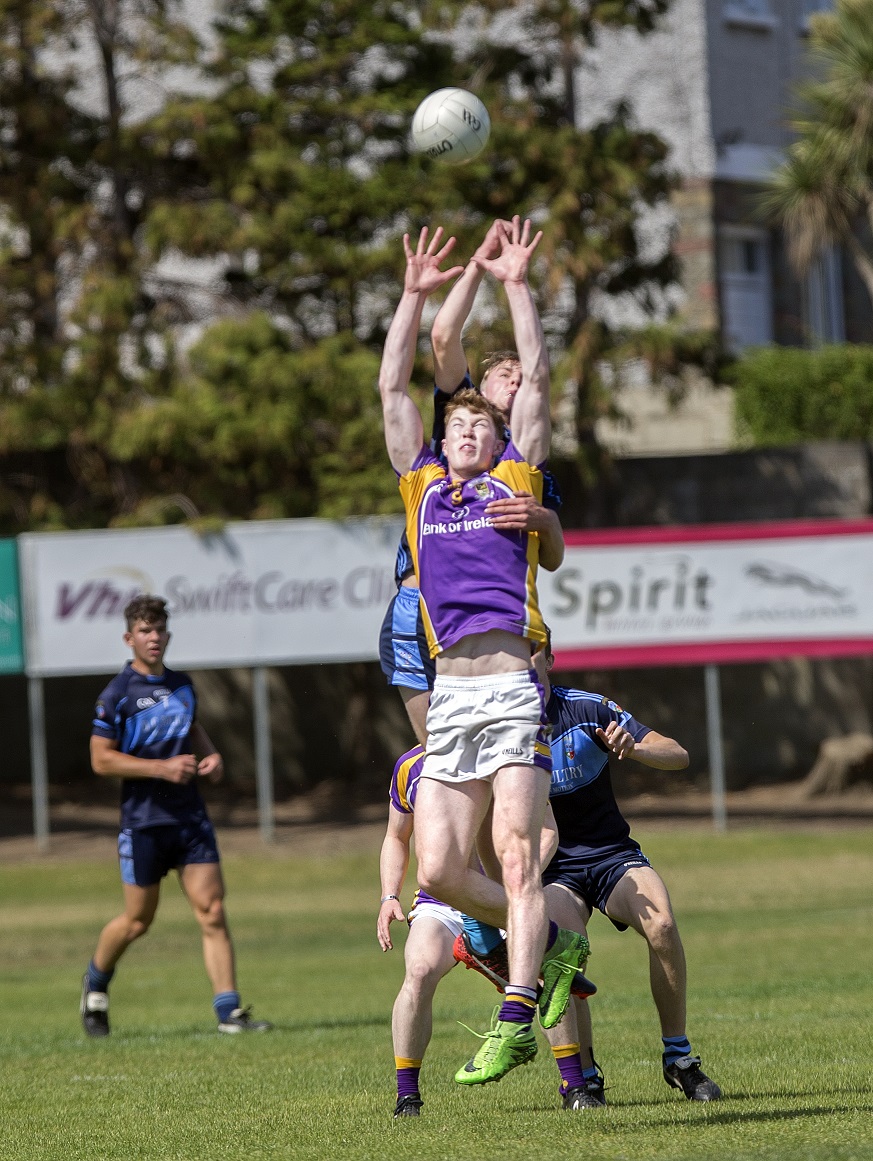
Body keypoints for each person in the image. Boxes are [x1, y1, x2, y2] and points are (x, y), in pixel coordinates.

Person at [377, 216, 588, 1088]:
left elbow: (536, 375)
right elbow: (393, 384)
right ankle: (557, 938)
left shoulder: (512, 485)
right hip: (450, 698)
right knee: (437, 869)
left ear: (498, 441)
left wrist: (514, 281)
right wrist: (412, 294)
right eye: (456, 425)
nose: (465, 432)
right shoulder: (422, 489)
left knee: (511, 851)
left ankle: (517, 1006)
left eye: (478, 427)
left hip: (507, 689)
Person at [378, 218, 564, 747]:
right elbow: (436, 341)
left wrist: (545, 520)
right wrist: (482, 267)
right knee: (436, 769)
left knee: (514, 783)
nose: (516, 379)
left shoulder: (522, 467)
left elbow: (549, 557)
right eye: (504, 372)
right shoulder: (454, 427)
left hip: (501, 626)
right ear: (477, 391)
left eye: (520, 376)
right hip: (426, 610)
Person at [531, 630, 722, 1106]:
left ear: (550, 658)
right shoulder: (498, 729)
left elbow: (677, 754)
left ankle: (678, 1059)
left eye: (532, 649)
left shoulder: (589, 710)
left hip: (610, 853)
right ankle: (582, 1077)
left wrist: (633, 748)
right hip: (553, 868)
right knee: (561, 953)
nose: (523, 660)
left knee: (662, 923)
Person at [79, 595, 271, 1038]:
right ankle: (95, 984)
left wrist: (212, 756)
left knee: (213, 910)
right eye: (145, 631)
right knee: (137, 921)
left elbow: (193, 727)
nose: (154, 638)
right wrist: (160, 768)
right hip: (143, 821)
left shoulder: (183, 684)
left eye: (160, 629)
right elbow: (101, 760)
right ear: (129, 638)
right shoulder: (116, 695)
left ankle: (228, 1013)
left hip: (189, 818)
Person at [379, 744, 596, 1118]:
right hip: (441, 902)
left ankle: (575, 1086)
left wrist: (517, 885)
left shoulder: (508, 755)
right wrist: (388, 896)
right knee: (418, 969)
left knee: (546, 977)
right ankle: (406, 1097)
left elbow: (547, 833)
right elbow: (396, 837)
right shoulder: (411, 765)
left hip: (497, 893)